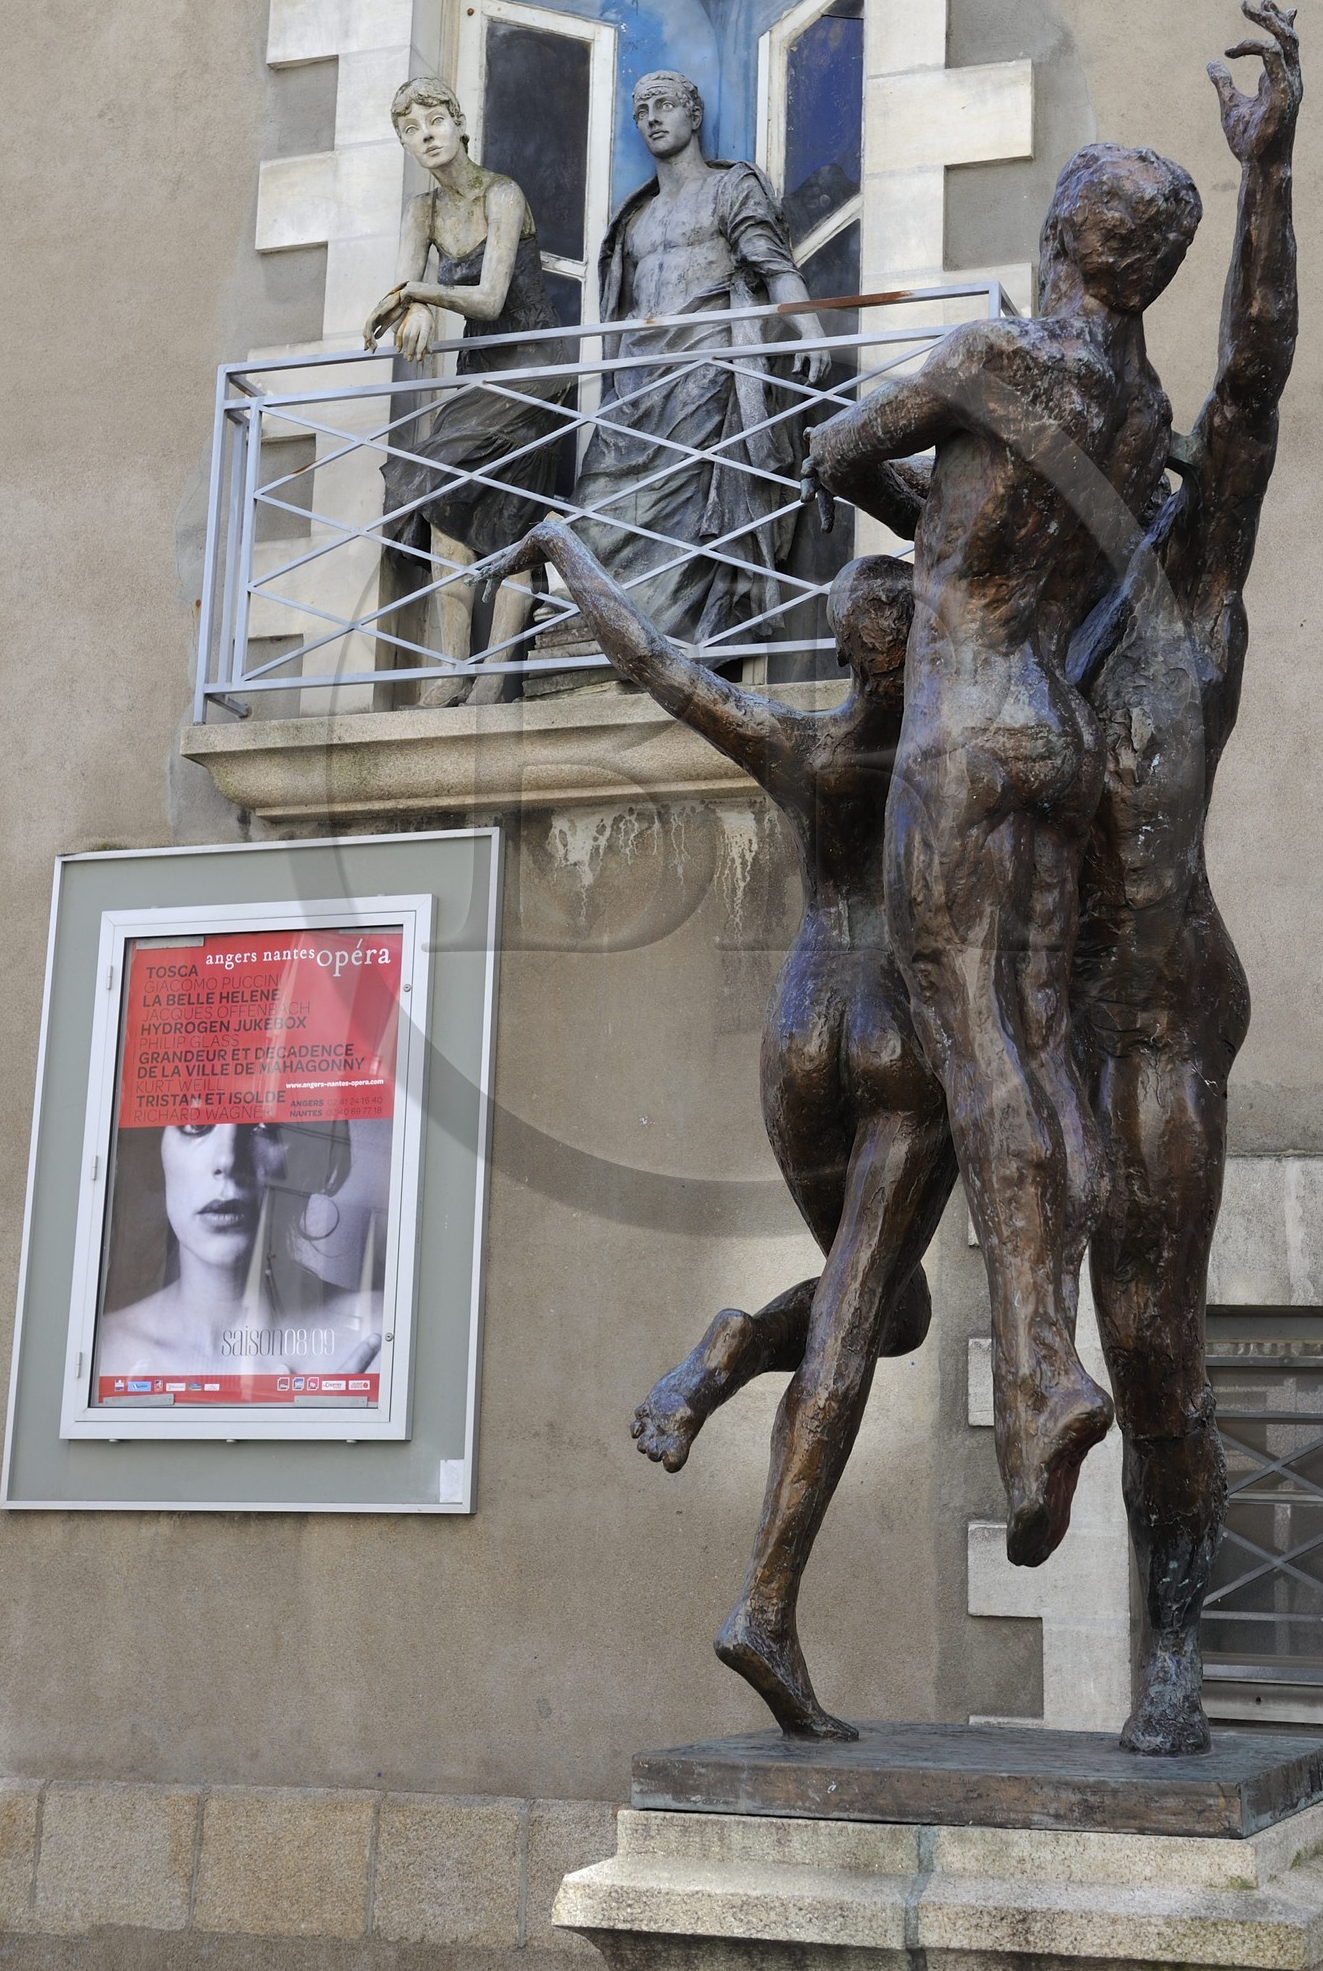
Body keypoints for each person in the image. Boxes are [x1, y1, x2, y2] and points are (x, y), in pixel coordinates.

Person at [479, 511, 954, 1738]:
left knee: (893, 1305)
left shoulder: (800, 746)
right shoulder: (961, 749)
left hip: (796, 1032)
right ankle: (764, 1604)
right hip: (901, 1036)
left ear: (847, 645)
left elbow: (651, 661)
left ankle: (737, 1343)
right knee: (861, 1313)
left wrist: (558, 551)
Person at [805, 139, 1203, 1571]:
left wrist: (938, 552)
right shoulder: (1140, 409)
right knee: (1037, 1056)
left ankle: (1040, 1386)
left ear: (1059, 233)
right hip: (1059, 735)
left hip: (964, 729)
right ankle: (1056, 1357)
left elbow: (832, 451)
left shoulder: (993, 358)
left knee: (982, 1059)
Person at [1074, 1, 1303, 1753]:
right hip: (1016, 996)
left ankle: (1173, 1645)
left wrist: (1268, 179)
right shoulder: (1000, 616)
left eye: (1141, 434)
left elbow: (1257, 377)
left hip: (1157, 1011)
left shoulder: (1195, 596)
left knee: (1153, 1343)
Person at [565, 70, 833, 651]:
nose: (653, 119)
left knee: (689, 517)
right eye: (642, 111)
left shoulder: (730, 187)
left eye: (665, 106)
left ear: (694, 114)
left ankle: (666, 639)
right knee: (595, 506)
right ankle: (600, 639)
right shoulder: (633, 216)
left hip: (704, 376)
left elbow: (771, 263)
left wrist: (808, 327)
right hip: (635, 387)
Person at [364, 77, 571, 706]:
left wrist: (421, 297)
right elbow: (402, 292)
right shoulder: (421, 211)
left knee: (512, 515)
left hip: (534, 366)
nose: (424, 136)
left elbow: (490, 298)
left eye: (433, 120)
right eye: (409, 129)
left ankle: (493, 674)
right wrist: (411, 311)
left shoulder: (503, 195)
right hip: (481, 370)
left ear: (458, 122)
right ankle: (453, 668)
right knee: (444, 505)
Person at [95, 1122, 382, 1380]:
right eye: (196, 1123)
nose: (228, 1160)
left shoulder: (374, 1336)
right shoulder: (103, 1351)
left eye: (265, 1126)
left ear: (308, 1158)